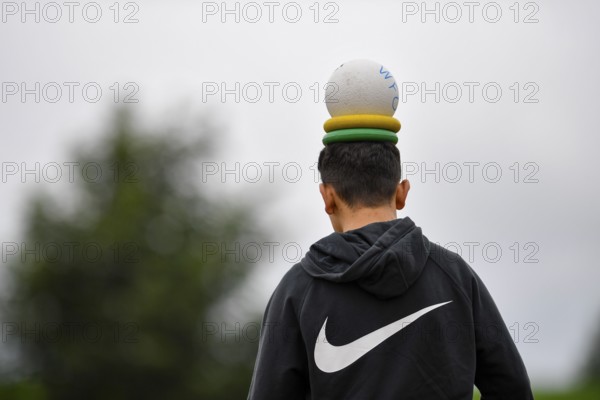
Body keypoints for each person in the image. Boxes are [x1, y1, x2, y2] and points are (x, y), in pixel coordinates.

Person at [247, 141, 533, 399]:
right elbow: (513, 389)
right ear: (401, 192)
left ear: (327, 197)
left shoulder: (297, 290)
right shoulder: (456, 276)